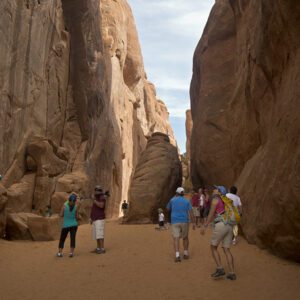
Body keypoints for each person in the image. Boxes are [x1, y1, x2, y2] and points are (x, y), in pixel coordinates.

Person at [201, 186, 237, 280]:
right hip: (229, 225)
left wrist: (205, 225)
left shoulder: (216, 200)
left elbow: (211, 214)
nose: (213, 190)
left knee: (213, 247)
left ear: (219, 192)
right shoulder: (226, 200)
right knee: (226, 249)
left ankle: (220, 268)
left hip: (221, 224)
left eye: (215, 189)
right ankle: (232, 273)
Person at [166, 187, 196, 262]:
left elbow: (167, 208)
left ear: (176, 193)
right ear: (183, 193)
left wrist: (172, 199)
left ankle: (177, 255)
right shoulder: (187, 201)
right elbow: (191, 212)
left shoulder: (172, 200)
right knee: (185, 237)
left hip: (175, 221)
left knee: (176, 238)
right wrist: (193, 223)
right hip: (184, 221)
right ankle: (185, 253)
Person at [57, 193, 79, 258]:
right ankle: (71, 253)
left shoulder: (64, 205)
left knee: (62, 239)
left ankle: (60, 253)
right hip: (74, 225)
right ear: (75, 201)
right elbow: (77, 217)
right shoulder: (76, 206)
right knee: (73, 238)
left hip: (66, 225)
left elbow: (61, 214)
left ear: (68, 200)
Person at [90, 186, 106, 254]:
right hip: (95, 219)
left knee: (100, 234)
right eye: (96, 190)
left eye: (98, 190)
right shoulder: (96, 198)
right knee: (96, 235)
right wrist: (91, 218)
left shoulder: (102, 198)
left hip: (99, 219)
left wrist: (94, 200)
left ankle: (102, 248)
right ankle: (98, 248)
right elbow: (94, 209)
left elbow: (101, 206)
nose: (96, 191)